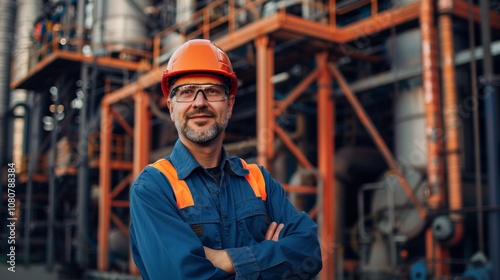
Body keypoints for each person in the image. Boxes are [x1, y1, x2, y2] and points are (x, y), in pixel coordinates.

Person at [129, 39, 322, 280]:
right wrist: (268, 256)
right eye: (187, 92)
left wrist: (225, 259)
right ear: (171, 107)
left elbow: (309, 252)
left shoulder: (258, 180)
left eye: (212, 91)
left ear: (229, 105)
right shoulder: (153, 187)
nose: (200, 102)